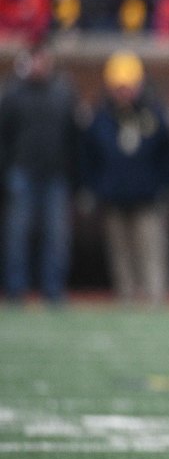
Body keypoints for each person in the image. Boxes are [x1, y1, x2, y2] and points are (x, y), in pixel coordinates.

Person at [81, 52, 169, 306]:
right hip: (113, 195)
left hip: (147, 196)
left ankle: (156, 298)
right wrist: (94, 187)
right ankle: (126, 298)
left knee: (151, 249)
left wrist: (166, 186)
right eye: (119, 87)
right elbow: (89, 155)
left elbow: (168, 153)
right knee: (120, 252)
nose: (124, 92)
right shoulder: (101, 116)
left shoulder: (154, 113)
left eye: (128, 86)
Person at [0, 43, 78, 304]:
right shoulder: (13, 93)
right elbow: (4, 137)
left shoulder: (63, 92)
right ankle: (15, 289)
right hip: (21, 173)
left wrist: (74, 176)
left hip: (55, 174)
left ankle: (53, 289)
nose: (38, 66)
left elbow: (73, 137)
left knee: (56, 237)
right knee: (17, 235)